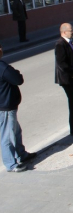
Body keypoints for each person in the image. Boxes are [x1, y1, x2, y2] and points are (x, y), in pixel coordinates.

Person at [0, 43, 37, 172]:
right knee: (7, 136)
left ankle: (21, 154)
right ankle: (11, 164)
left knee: (15, 132)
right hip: (5, 107)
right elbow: (18, 79)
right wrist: (15, 72)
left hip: (5, 106)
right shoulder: (2, 67)